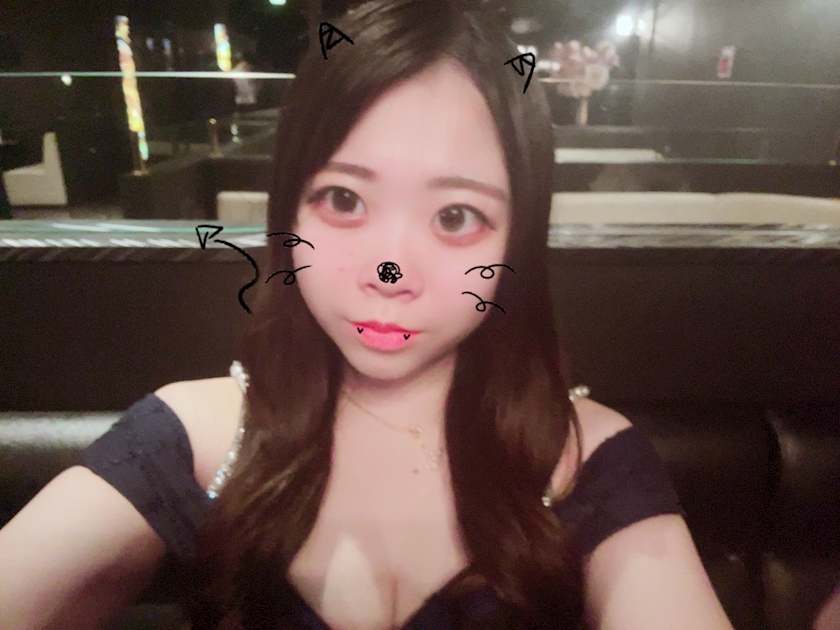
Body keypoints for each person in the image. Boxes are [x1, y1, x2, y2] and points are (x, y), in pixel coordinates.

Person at [0, 1, 735, 628]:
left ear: (518, 240)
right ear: (290, 211)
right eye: (344, 200)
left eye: (456, 216)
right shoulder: (192, 439)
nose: (391, 273)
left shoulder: (586, 459)